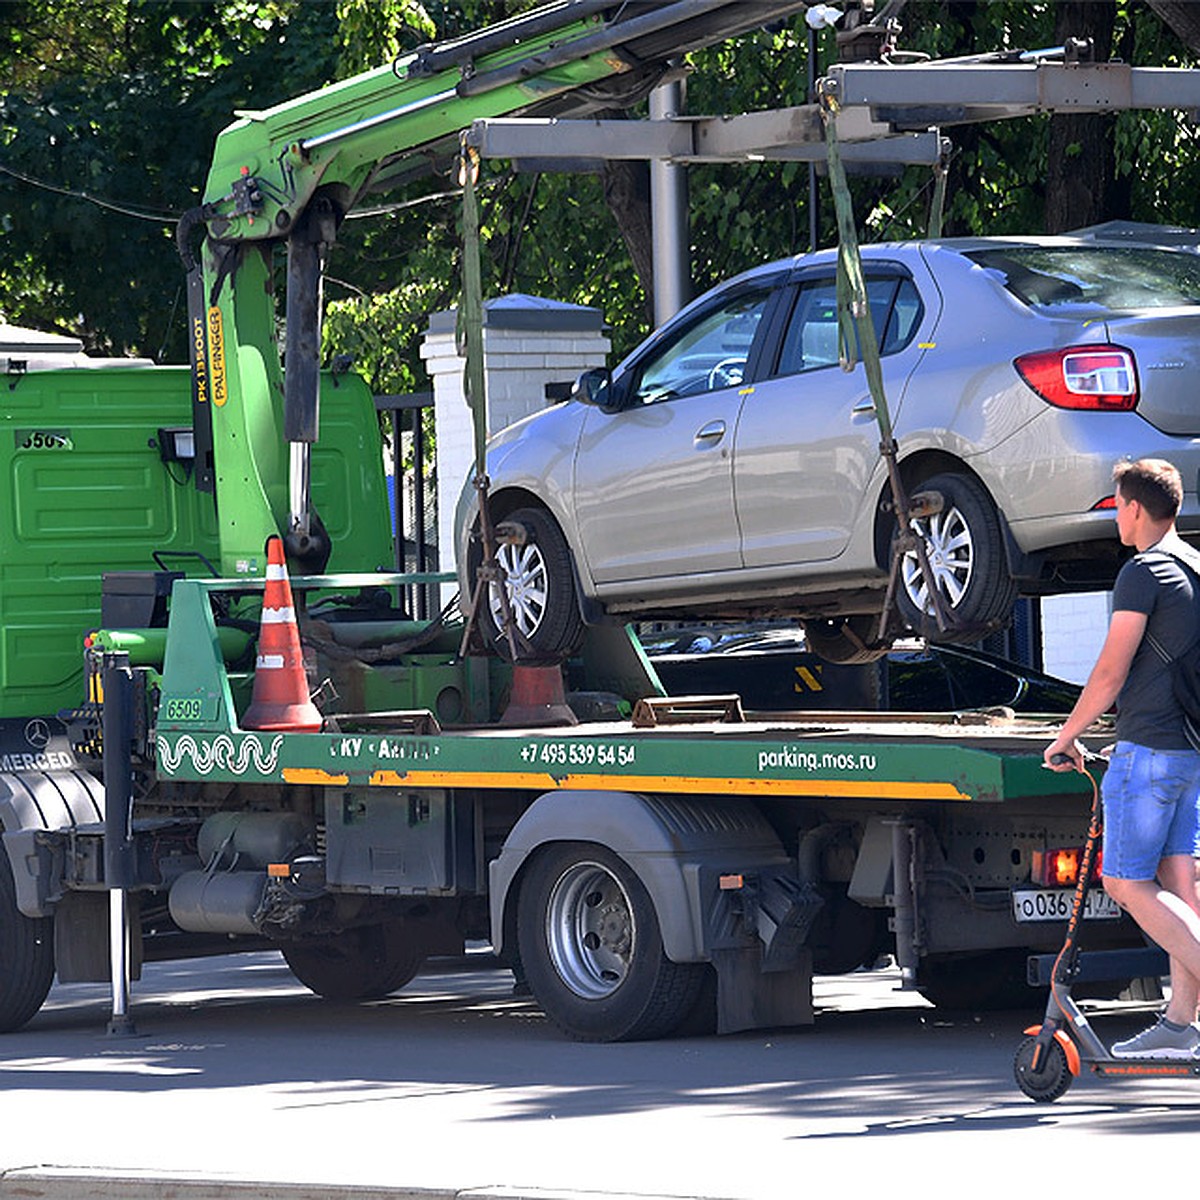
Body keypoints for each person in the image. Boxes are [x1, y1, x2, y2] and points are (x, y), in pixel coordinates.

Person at [1045, 457, 1200, 1059]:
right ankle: (1181, 1025)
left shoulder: (1144, 572)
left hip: (1151, 753)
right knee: (1179, 887)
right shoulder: (1195, 567)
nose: (1115, 517)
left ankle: (1185, 1021)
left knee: (1123, 880)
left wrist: (1066, 736)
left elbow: (1111, 671)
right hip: (1188, 755)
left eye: (1116, 506)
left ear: (1134, 508)